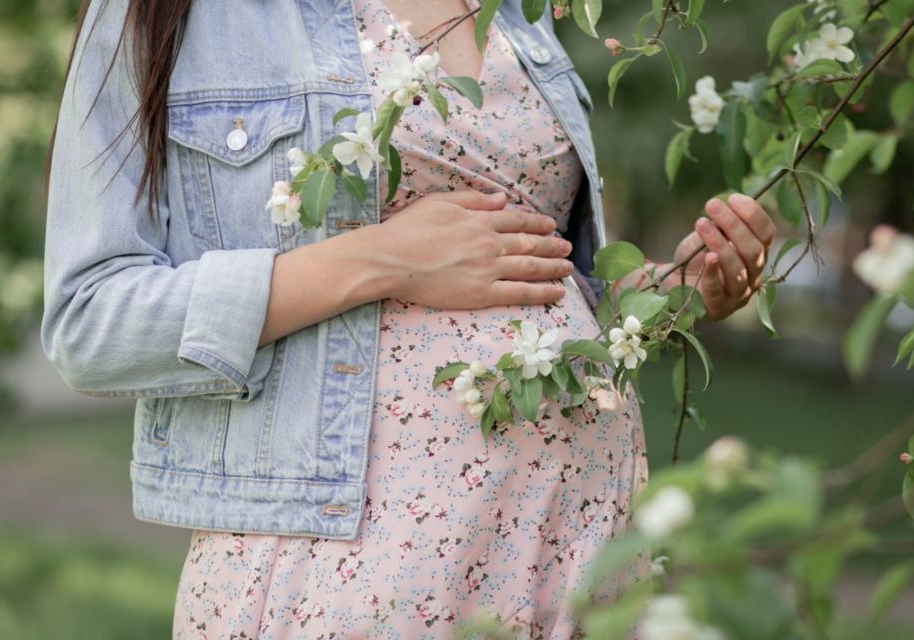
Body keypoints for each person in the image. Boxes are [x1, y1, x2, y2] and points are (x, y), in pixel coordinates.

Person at [41, 0, 776, 636]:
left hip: (578, 548)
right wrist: (382, 260)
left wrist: (671, 291)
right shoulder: (169, 13)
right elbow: (89, 318)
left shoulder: (514, 11)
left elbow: (522, 269)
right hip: (359, 568)